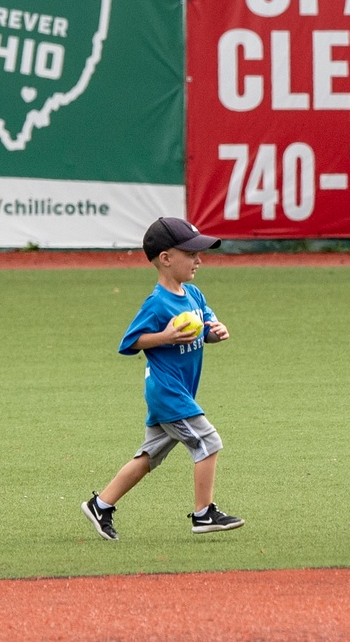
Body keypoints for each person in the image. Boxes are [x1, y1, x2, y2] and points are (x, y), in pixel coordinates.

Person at [82, 217, 244, 540]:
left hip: (179, 390)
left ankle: (101, 504)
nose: (199, 260)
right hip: (168, 392)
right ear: (166, 259)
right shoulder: (157, 303)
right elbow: (129, 342)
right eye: (192, 253)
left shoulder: (194, 294)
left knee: (148, 457)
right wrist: (165, 337)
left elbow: (206, 324)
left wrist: (216, 331)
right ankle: (203, 514)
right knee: (208, 442)